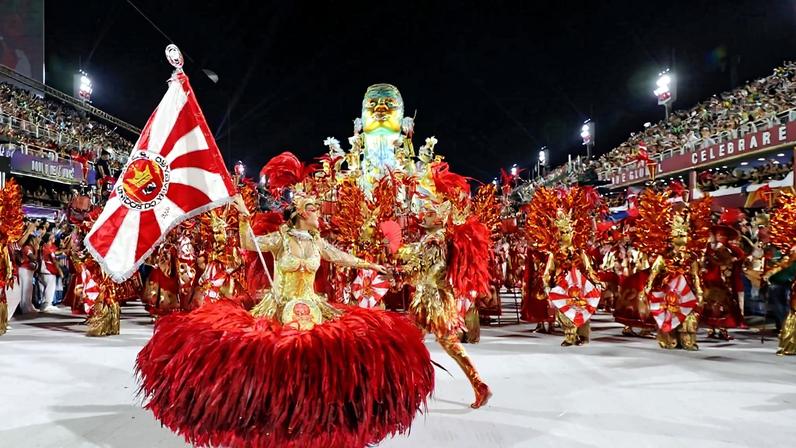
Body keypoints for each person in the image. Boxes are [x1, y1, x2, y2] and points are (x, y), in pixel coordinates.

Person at [136, 192, 434, 448]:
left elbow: (342, 257)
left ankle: (317, 419)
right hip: (278, 308)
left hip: (313, 308)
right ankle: (270, 416)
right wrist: (243, 217)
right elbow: (248, 243)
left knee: (318, 361)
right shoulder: (280, 239)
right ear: (302, 214)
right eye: (315, 209)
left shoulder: (317, 242)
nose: (320, 214)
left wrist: (372, 264)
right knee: (275, 359)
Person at [38, 232, 61, 312]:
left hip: (42, 271)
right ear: (49, 239)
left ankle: (43, 305)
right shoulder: (48, 248)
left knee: (43, 289)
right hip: (48, 270)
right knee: (50, 288)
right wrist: (60, 271)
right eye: (52, 237)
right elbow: (54, 260)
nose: (54, 238)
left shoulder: (42, 247)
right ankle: (48, 304)